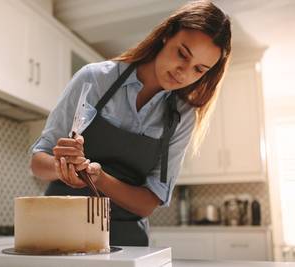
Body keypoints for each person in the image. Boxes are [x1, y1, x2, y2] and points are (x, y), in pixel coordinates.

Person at [30, 0, 231, 246]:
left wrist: (98, 177)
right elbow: (38, 163)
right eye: (182, 54)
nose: (183, 72)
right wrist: (64, 167)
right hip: (57, 229)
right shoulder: (95, 79)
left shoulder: (182, 116)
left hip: (126, 242)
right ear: (167, 35)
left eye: (199, 69)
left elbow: (148, 203)